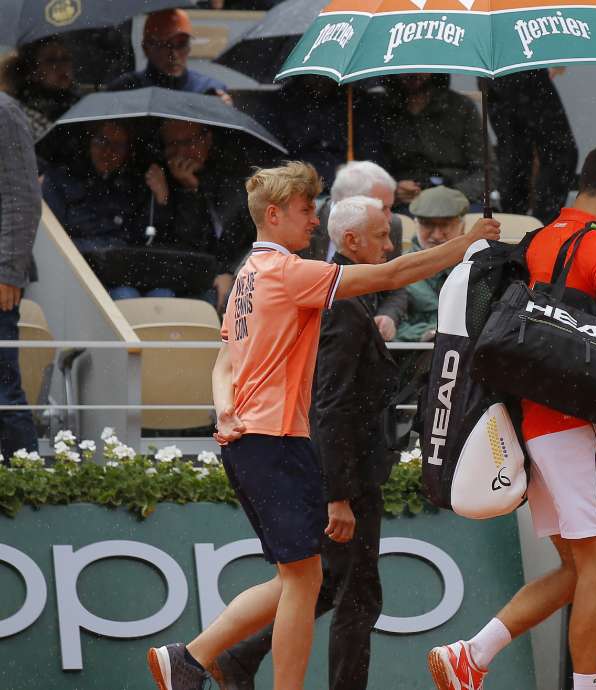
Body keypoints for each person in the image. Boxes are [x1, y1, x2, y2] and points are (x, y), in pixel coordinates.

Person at [145, 161, 499, 690]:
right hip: (274, 443)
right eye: (307, 210)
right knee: (304, 582)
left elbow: (224, 361)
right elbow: (391, 275)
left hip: (256, 443)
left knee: (300, 579)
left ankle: (190, 656)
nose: (316, 221)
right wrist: (466, 243)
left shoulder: (247, 273)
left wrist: (224, 407)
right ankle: (202, 660)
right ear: (274, 214)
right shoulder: (286, 272)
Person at [427, 143, 596, 690]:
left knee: (578, 568)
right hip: (576, 423)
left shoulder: (540, 237)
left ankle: (471, 655)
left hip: (530, 422)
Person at [210, 196, 401, 690]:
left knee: (327, 584)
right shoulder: (331, 294)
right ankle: (224, 657)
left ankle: (236, 659)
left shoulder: (341, 293)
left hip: (341, 461)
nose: (391, 243)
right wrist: (338, 492)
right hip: (339, 468)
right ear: (352, 240)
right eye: (382, 236)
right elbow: (331, 400)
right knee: (352, 593)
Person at [147, 120, 253, 309]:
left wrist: (230, 272)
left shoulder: (231, 177)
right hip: (171, 274)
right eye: (172, 144)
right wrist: (163, 200)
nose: (181, 152)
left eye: (188, 143)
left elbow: (234, 239)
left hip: (216, 274)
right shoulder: (156, 176)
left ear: (207, 140)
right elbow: (168, 243)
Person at [303, 161, 408, 341]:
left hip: (360, 337)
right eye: (383, 208)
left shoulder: (392, 226)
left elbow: (396, 287)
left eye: (391, 207)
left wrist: (389, 316)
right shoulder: (304, 222)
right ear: (350, 203)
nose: (389, 217)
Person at [362, 74, 485, 209]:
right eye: (406, 68)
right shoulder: (378, 108)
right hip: (401, 204)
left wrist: (455, 194)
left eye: (421, 68)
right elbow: (370, 167)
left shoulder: (461, 106)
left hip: (458, 200)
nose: (414, 73)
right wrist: (393, 189)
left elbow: (485, 169)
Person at [0, 92, 40, 460]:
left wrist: (9, 272)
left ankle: (29, 493)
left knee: (3, 392)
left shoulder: (4, 111)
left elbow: (23, 198)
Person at [487, 69, 578, 225]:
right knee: (558, 152)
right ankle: (539, 227)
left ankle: (515, 223)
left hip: (497, 69)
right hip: (519, 65)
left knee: (516, 150)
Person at [42, 121, 147, 254]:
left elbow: (138, 240)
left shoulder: (134, 186)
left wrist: (161, 200)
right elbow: (50, 238)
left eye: (118, 145)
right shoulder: (60, 178)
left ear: (127, 151)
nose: (108, 151)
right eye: (102, 141)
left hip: (117, 267)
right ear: (89, 141)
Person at [394, 186, 470, 343]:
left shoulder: (476, 268)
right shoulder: (398, 269)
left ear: (462, 226)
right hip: (416, 356)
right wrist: (426, 334)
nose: (436, 235)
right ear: (416, 224)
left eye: (445, 225)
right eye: (427, 224)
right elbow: (388, 327)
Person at [108, 9, 231, 103]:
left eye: (181, 44)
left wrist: (227, 116)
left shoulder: (209, 91)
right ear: (146, 48)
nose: (174, 54)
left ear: (189, 48)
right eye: (165, 45)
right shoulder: (124, 90)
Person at [270, 77, 360, 189]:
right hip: (296, 184)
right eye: (315, 77)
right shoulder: (283, 101)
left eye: (326, 77)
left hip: (345, 184)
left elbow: (369, 150)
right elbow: (273, 152)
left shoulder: (352, 100)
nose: (321, 81)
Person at [0, 35, 80, 142]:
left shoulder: (82, 105)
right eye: (51, 60)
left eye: (66, 58)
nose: (62, 65)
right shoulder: (17, 115)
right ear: (33, 71)